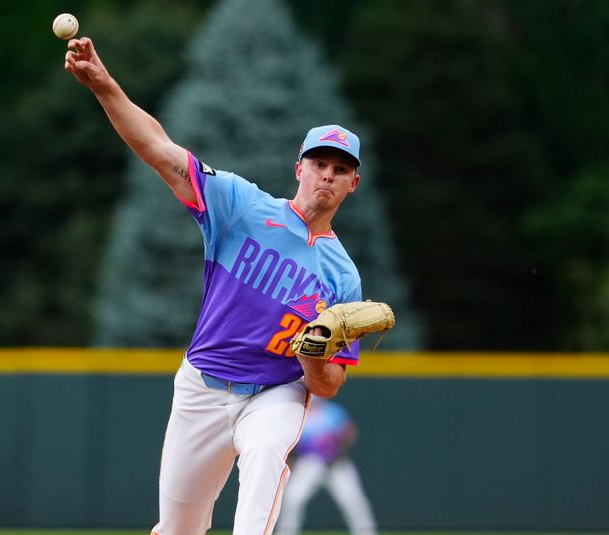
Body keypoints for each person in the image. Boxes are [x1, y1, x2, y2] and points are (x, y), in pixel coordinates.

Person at [65, 36, 366, 535]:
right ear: (300, 168)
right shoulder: (241, 207)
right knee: (179, 527)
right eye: (319, 165)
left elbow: (329, 384)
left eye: (340, 170)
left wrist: (314, 356)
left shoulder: (343, 276)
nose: (327, 177)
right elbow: (161, 151)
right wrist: (103, 84)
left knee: (268, 455)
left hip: (274, 392)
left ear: (352, 184)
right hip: (201, 387)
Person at [274, 397, 377, 535]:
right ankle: (286, 532)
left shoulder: (333, 411)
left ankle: (365, 531)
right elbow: (291, 441)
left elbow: (349, 433)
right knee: (294, 497)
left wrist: (340, 448)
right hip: (310, 462)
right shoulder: (300, 413)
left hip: (337, 463)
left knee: (352, 499)